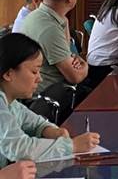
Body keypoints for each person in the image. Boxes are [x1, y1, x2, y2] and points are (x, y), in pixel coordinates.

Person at [0, 33, 99, 168]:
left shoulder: (12, 103)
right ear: (8, 74)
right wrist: (72, 146)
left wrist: (48, 130)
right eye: (34, 72)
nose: (39, 79)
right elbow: (20, 148)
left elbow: (34, 122)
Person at [20, 0, 88, 96]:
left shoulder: (42, 15)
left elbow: (71, 56)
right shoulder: (49, 28)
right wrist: (85, 65)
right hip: (52, 96)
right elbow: (75, 76)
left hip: (57, 90)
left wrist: (76, 61)